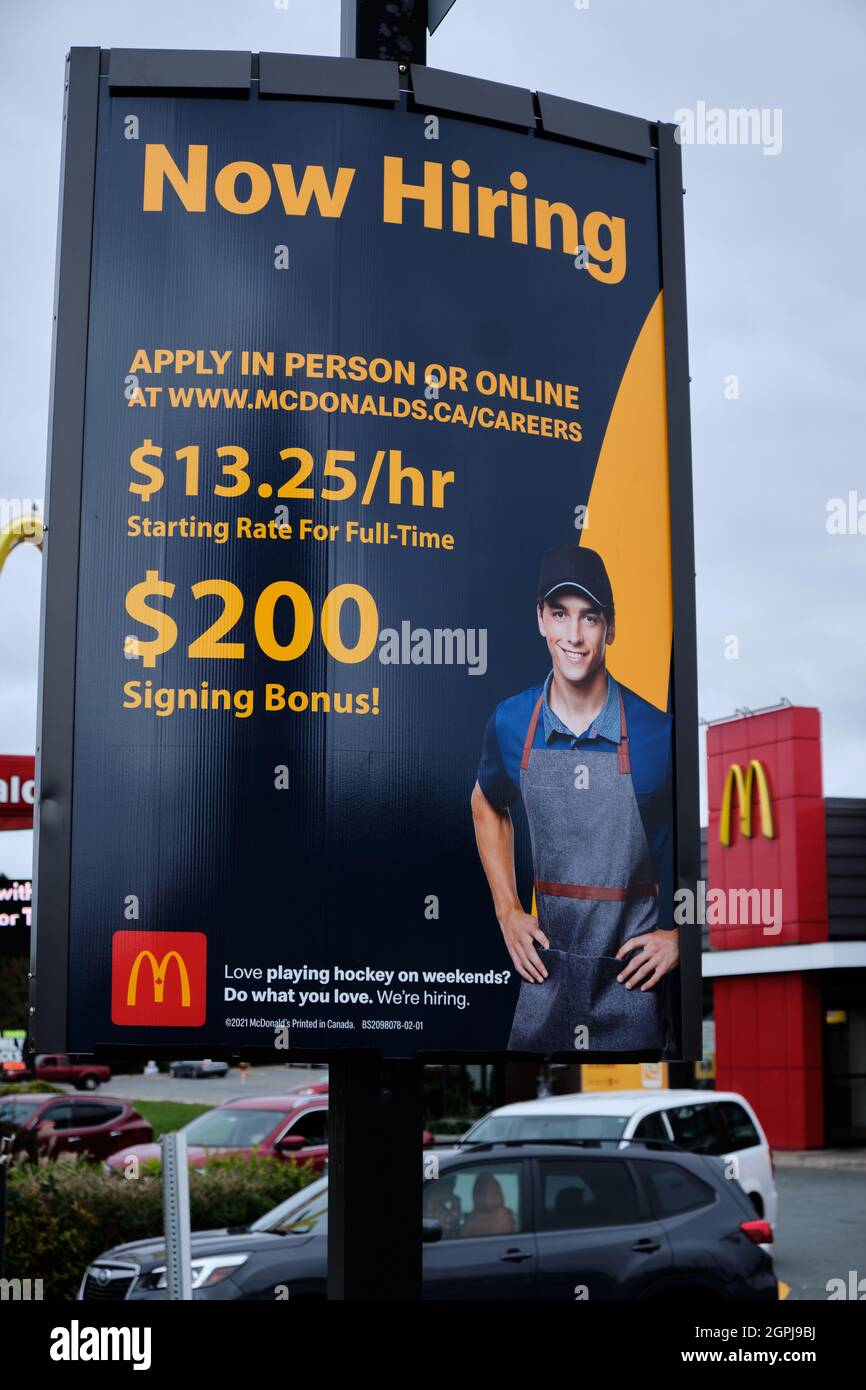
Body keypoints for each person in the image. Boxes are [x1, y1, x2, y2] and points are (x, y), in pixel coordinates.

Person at [470, 544, 678, 1054]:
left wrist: (683, 936)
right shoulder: (511, 722)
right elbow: (486, 803)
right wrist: (507, 909)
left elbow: (704, 846)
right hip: (546, 985)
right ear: (541, 619)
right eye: (560, 614)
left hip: (634, 993)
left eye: (589, 618)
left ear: (610, 627)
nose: (574, 635)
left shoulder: (660, 734)